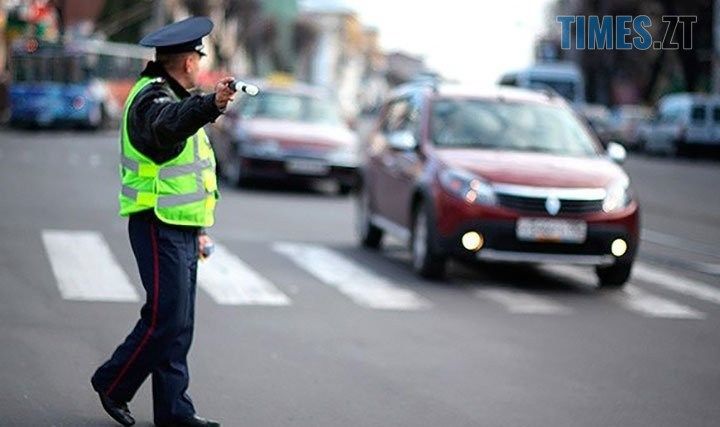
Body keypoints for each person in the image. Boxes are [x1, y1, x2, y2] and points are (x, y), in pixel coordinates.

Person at [90, 16, 235, 427]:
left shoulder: (171, 94)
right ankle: (113, 382)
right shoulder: (150, 100)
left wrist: (201, 230)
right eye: (197, 57)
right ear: (189, 61)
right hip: (157, 223)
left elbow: (192, 170)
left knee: (178, 323)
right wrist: (210, 104)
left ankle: (174, 413)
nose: (198, 64)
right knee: (165, 318)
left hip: (182, 225)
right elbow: (167, 126)